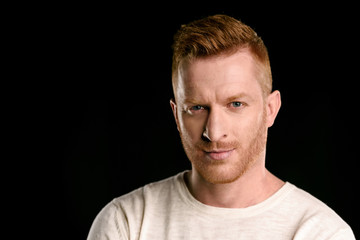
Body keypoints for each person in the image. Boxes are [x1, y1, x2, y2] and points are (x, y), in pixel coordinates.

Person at [87, 14, 355, 239]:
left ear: (271, 109)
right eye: (197, 107)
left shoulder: (321, 233)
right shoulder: (126, 224)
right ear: (176, 115)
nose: (213, 132)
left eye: (235, 104)